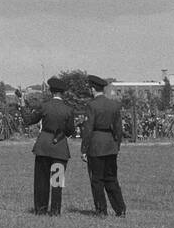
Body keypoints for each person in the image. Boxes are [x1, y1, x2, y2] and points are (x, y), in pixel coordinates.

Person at [22, 78, 75, 215]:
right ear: (63, 92)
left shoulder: (44, 106)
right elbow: (70, 131)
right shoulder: (68, 110)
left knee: (41, 179)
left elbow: (29, 120)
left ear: (51, 91)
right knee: (57, 181)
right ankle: (55, 210)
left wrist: (22, 105)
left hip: (43, 146)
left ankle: (40, 209)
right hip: (60, 147)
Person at [81, 77, 126, 218]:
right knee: (112, 178)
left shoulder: (92, 105)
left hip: (96, 145)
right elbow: (119, 129)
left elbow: (88, 129)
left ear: (93, 89)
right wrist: (116, 145)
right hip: (110, 144)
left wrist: (84, 149)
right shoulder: (114, 105)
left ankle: (101, 210)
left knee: (97, 179)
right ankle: (120, 208)